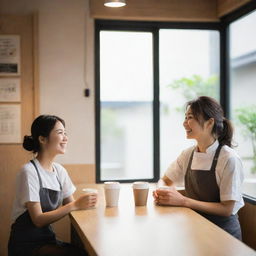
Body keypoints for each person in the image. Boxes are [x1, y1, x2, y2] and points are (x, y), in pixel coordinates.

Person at [153, 96, 244, 240]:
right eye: (185, 117)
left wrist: (183, 201)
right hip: (195, 228)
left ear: (209, 123)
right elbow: (165, 180)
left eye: (190, 117)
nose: (184, 123)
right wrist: (162, 190)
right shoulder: (187, 154)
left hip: (224, 235)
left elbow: (227, 209)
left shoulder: (228, 158)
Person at [8, 115, 97, 256]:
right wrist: (75, 205)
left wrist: (89, 206)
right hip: (26, 245)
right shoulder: (29, 171)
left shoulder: (59, 170)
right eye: (60, 133)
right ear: (42, 139)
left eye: (65, 133)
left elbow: (72, 205)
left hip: (48, 239)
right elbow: (37, 220)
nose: (65, 138)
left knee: (83, 252)